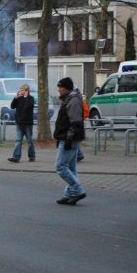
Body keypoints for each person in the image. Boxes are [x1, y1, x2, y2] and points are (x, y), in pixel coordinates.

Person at [53, 77, 86, 205]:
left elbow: (75, 122)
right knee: (71, 168)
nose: (59, 90)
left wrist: (68, 139)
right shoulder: (70, 99)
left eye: (61, 87)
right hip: (68, 137)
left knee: (61, 166)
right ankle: (70, 194)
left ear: (67, 88)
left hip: (70, 138)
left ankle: (78, 191)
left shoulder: (73, 101)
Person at [8, 83, 36, 162]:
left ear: (27, 91)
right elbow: (12, 106)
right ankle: (16, 157)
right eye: (20, 90)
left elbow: (29, 106)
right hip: (19, 122)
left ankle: (32, 156)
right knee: (18, 141)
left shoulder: (31, 99)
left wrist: (26, 97)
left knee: (29, 141)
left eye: (22, 90)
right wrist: (15, 98)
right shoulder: (19, 99)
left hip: (27, 123)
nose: (21, 91)